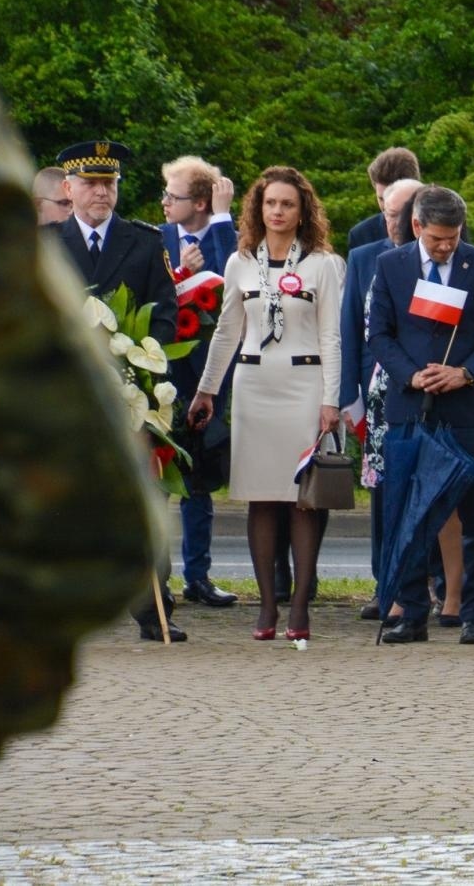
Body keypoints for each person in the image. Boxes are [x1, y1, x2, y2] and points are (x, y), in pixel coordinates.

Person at [189, 167, 342, 642]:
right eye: (270, 203)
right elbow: (227, 331)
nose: (277, 211)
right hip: (254, 386)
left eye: (287, 204)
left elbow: (332, 335)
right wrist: (206, 389)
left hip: (305, 384)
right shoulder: (239, 262)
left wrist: (331, 399)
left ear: (302, 212)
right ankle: (267, 607)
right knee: (261, 497)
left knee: (301, 499)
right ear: (258, 208)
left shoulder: (323, 264)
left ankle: (300, 605)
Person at [47, 140, 183, 641]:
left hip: (131, 390)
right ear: (69, 189)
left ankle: (153, 608)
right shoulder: (43, 244)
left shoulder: (144, 243)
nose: (101, 192)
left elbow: (165, 310)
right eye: (90, 183)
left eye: (109, 183)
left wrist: (140, 360)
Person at [368, 186, 474, 646]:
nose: (446, 246)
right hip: (410, 408)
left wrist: (465, 373)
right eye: (436, 239)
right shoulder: (390, 265)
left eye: (452, 238)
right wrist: (411, 377)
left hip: (466, 410)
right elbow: (380, 334)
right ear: (416, 227)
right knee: (409, 515)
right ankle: (412, 613)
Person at [158, 155, 239, 610]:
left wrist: (224, 219)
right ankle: (158, 579)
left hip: (212, 379)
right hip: (167, 377)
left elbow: (236, 287)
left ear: (203, 202)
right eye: (165, 194)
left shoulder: (229, 238)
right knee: (161, 479)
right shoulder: (157, 239)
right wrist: (180, 274)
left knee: (199, 483)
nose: (166, 203)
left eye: (175, 195)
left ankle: (199, 576)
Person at [339, 176, 422, 620]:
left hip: (426, 392)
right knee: (383, 491)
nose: (396, 223)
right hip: (375, 396)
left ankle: (431, 585)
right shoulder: (362, 257)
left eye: (404, 214)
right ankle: (384, 584)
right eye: (389, 213)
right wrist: (347, 396)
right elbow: (350, 328)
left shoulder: (441, 258)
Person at [346, 146, 419, 252]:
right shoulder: (361, 235)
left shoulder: (441, 229)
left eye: (392, 199)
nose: (386, 206)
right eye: (381, 199)